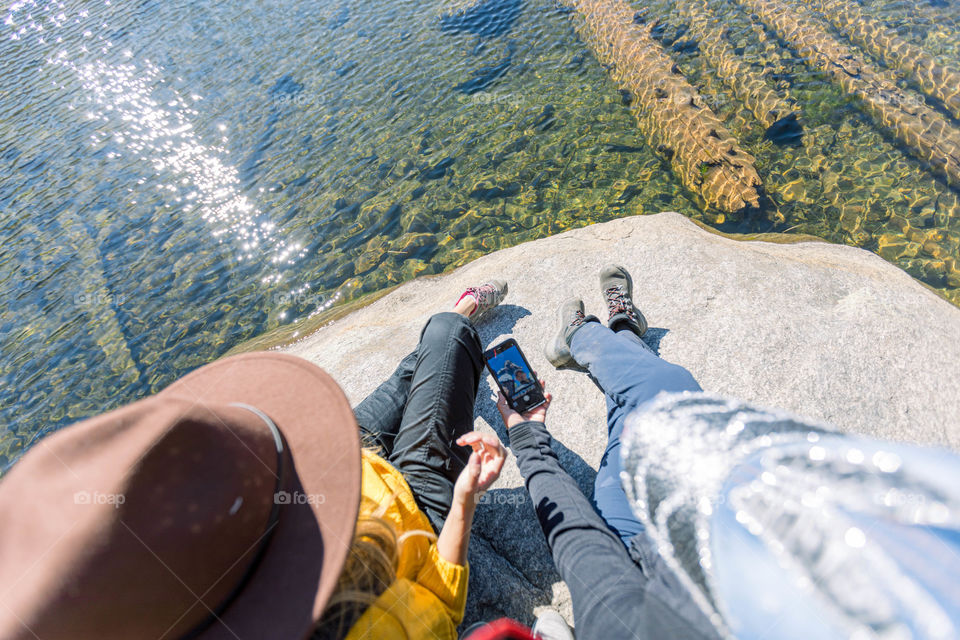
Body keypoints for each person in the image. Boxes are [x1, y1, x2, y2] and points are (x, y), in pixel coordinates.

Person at [0, 280, 511, 640]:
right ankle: (458, 318)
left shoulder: (153, 600)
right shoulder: (369, 620)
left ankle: (435, 354)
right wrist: (463, 499)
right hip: (409, 501)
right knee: (447, 335)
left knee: (415, 374)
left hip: (317, 470)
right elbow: (441, 608)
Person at [496, 264, 721, 640]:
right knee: (665, 390)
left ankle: (588, 335)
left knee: (646, 403)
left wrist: (526, 433)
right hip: (703, 530)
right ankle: (616, 331)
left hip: (636, 545)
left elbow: (577, 533)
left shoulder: (616, 622)